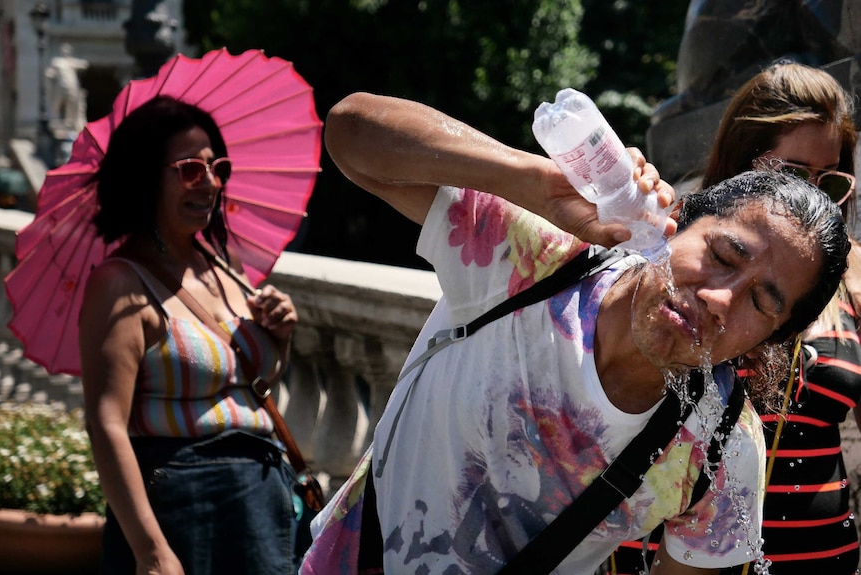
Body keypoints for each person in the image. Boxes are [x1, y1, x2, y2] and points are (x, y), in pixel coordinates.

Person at [299, 91, 850, 575]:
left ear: (770, 339)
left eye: (760, 302)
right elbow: (351, 130)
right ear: (677, 223)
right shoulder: (533, 261)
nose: (718, 297)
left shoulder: (724, 450)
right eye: (723, 254)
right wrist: (533, 181)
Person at [613, 61, 861, 575]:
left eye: (830, 180)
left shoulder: (857, 276)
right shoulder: (675, 248)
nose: (812, 196)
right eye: (794, 174)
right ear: (745, 160)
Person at [79, 96, 300, 574]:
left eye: (217, 167)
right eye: (190, 170)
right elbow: (106, 423)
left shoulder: (227, 269)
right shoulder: (119, 284)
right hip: (184, 509)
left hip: (262, 502)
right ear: (143, 178)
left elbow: (246, 387)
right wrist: (151, 551)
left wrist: (279, 338)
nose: (212, 184)